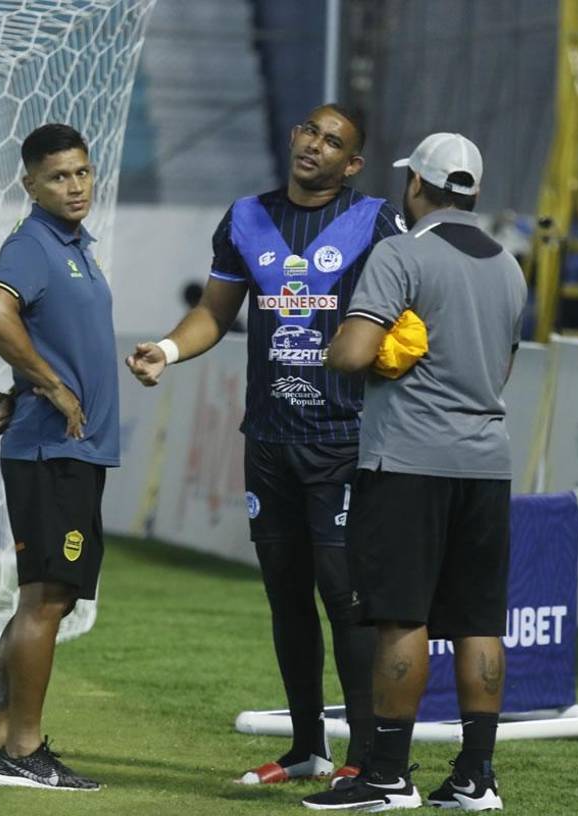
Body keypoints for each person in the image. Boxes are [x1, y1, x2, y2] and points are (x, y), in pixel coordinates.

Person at [126, 104, 405, 786]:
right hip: (270, 441)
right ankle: (307, 747)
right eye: (310, 130)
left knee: (344, 598)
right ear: (294, 135)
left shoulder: (375, 222)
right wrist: (166, 348)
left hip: (344, 438)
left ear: (353, 163)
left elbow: (406, 313)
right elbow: (216, 313)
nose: (315, 144)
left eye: (333, 141)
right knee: (286, 597)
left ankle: (365, 757)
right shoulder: (246, 217)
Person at [303, 133, 526, 812]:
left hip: (409, 461)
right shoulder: (511, 267)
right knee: (479, 621)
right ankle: (475, 775)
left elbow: (352, 355)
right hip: (485, 463)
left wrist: (353, 341)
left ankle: (388, 773)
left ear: (418, 187)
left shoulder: (400, 254)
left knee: (402, 617)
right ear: (474, 191)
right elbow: (503, 369)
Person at [0, 123, 118, 792]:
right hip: (53, 452)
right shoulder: (33, 244)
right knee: (47, 603)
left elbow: (44, 333)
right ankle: (25, 750)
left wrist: (26, 384)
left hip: (65, 449)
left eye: (81, 172)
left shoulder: (72, 246)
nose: (75, 185)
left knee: (39, 601)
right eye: (59, 176)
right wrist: (48, 385)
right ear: (30, 185)